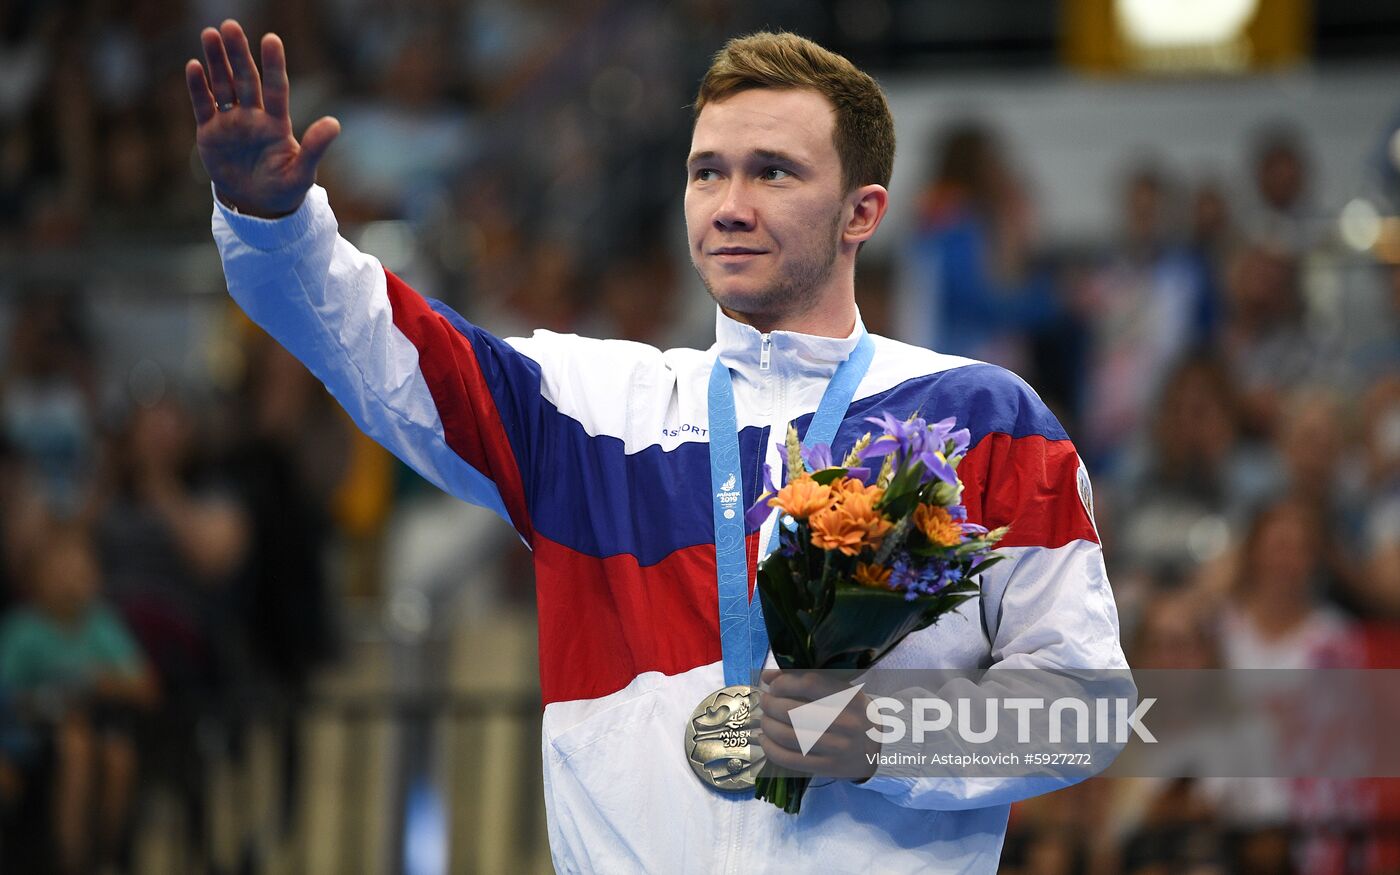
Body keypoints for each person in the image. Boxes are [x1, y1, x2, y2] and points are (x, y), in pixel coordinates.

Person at [187, 21, 1127, 871]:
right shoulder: (593, 407)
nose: (727, 204)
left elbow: (1082, 706)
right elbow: (385, 347)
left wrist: (875, 734)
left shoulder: (980, 418)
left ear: (863, 212)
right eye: (707, 171)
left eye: (773, 172)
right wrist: (279, 230)